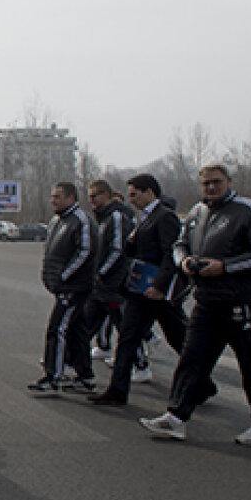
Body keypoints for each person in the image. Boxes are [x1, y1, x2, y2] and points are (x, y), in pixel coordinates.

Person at [140, 163, 251, 445]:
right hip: (206, 302)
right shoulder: (196, 212)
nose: (211, 188)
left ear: (228, 181)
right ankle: (176, 417)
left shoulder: (246, 209)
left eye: (216, 182)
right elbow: (179, 245)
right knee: (192, 360)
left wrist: (225, 267)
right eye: (206, 184)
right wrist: (186, 262)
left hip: (240, 303)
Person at [89, 174, 214, 406]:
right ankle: (117, 390)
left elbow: (171, 253)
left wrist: (160, 286)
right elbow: (133, 250)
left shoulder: (165, 217)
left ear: (150, 192)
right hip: (139, 290)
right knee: (128, 337)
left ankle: (203, 383)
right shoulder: (144, 218)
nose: (131, 199)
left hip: (159, 292)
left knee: (180, 339)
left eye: (134, 194)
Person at [27, 182, 98, 395]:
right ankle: (86, 377)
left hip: (74, 287)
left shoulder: (82, 221)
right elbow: (50, 251)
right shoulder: (57, 221)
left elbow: (85, 253)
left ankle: (52, 378)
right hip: (61, 286)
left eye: (58, 197)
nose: (53, 200)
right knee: (77, 331)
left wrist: (64, 277)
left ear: (71, 198)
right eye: (52, 196)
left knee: (57, 329)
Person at [81, 181, 134, 363]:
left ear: (106, 195)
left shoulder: (117, 217)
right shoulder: (102, 218)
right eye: (89, 197)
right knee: (86, 323)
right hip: (101, 286)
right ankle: (70, 360)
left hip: (114, 285)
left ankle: (140, 364)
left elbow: (118, 249)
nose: (91, 200)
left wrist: (102, 273)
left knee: (124, 326)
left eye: (94, 196)